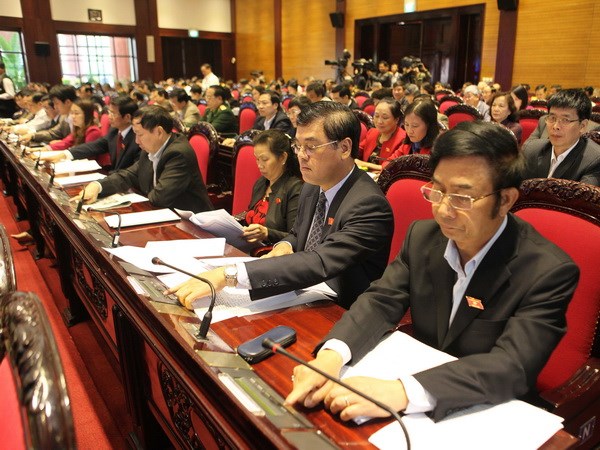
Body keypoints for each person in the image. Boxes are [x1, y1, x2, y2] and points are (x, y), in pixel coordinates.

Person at [285, 121, 578, 424]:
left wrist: (403, 391)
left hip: (488, 413)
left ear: (505, 200)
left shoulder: (547, 271)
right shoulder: (423, 237)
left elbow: (511, 366)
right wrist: (331, 356)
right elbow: (380, 301)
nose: (444, 210)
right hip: (415, 386)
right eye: (438, 190)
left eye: (462, 198)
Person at [168, 101, 394, 310]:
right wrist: (285, 245)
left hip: (340, 309)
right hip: (299, 292)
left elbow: (320, 260)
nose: (301, 156)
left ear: (344, 148)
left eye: (311, 147)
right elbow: (298, 234)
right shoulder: (312, 185)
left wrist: (229, 275)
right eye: (298, 146)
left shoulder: (368, 205)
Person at [73, 105, 212, 213]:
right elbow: (129, 175)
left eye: (140, 135)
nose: (137, 141)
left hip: (193, 225)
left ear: (159, 132)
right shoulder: (150, 147)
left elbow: (159, 198)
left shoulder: (178, 154)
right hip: (166, 216)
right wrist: (97, 186)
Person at [522, 88, 600, 186]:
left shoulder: (595, 160)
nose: (556, 126)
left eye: (565, 120)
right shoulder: (531, 149)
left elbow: (582, 196)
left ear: (583, 126)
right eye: (552, 118)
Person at [40, 96, 141, 171]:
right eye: (109, 112)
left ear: (127, 117)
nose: (109, 117)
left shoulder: (138, 137)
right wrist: (65, 154)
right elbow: (94, 146)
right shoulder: (114, 131)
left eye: (113, 113)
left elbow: (132, 171)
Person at [240, 130, 303, 246]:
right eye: (257, 159)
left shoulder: (295, 189)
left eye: (264, 159)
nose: (259, 165)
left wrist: (267, 233)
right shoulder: (261, 183)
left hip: (274, 252)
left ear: (282, 157)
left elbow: (296, 238)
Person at [357, 98, 406, 172]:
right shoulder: (372, 132)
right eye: (376, 116)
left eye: (385, 118)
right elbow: (357, 151)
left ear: (396, 120)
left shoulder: (403, 138)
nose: (379, 121)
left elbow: (392, 165)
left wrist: (364, 164)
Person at [386, 99, 440, 164]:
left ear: (429, 125)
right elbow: (388, 163)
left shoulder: (438, 151)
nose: (409, 131)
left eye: (415, 126)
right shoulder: (407, 145)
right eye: (406, 124)